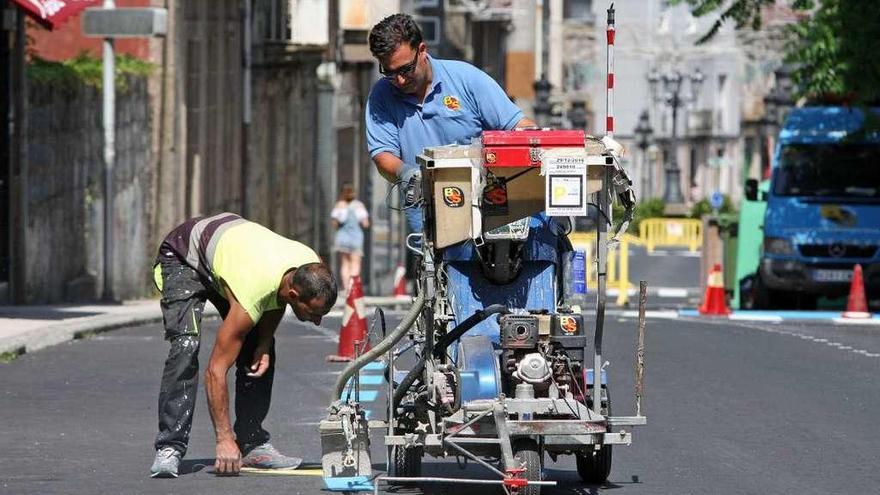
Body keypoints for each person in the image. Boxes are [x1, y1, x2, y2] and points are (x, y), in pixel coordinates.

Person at [149, 212, 337, 478]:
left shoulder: (311, 266)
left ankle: (252, 442)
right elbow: (215, 370)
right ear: (295, 294)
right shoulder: (254, 291)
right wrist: (223, 439)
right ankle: (170, 446)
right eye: (314, 313)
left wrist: (262, 342)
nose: (317, 322)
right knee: (186, 346)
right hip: (184, 255)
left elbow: (277, 297)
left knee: (259, 350)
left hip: (233, 257)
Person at [365, 13, 536, 233]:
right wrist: (408, 173)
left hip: (486, 202)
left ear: (422, 51)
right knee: (439, 265)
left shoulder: (467, 79)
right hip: (426, 209)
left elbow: (519, 125)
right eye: (389, 72)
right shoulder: (381, 95)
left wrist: (537, 143)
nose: (399, 80)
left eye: (405, 69)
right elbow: (382, 154)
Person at [331, 183, 370, 292]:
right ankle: (353, 288)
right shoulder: (359, 205)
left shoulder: (339, 205)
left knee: (345, 264)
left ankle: (346, 288)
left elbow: (334, 224)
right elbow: (366, 223)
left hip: (343, 237)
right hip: (356, 238)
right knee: (355, 264)